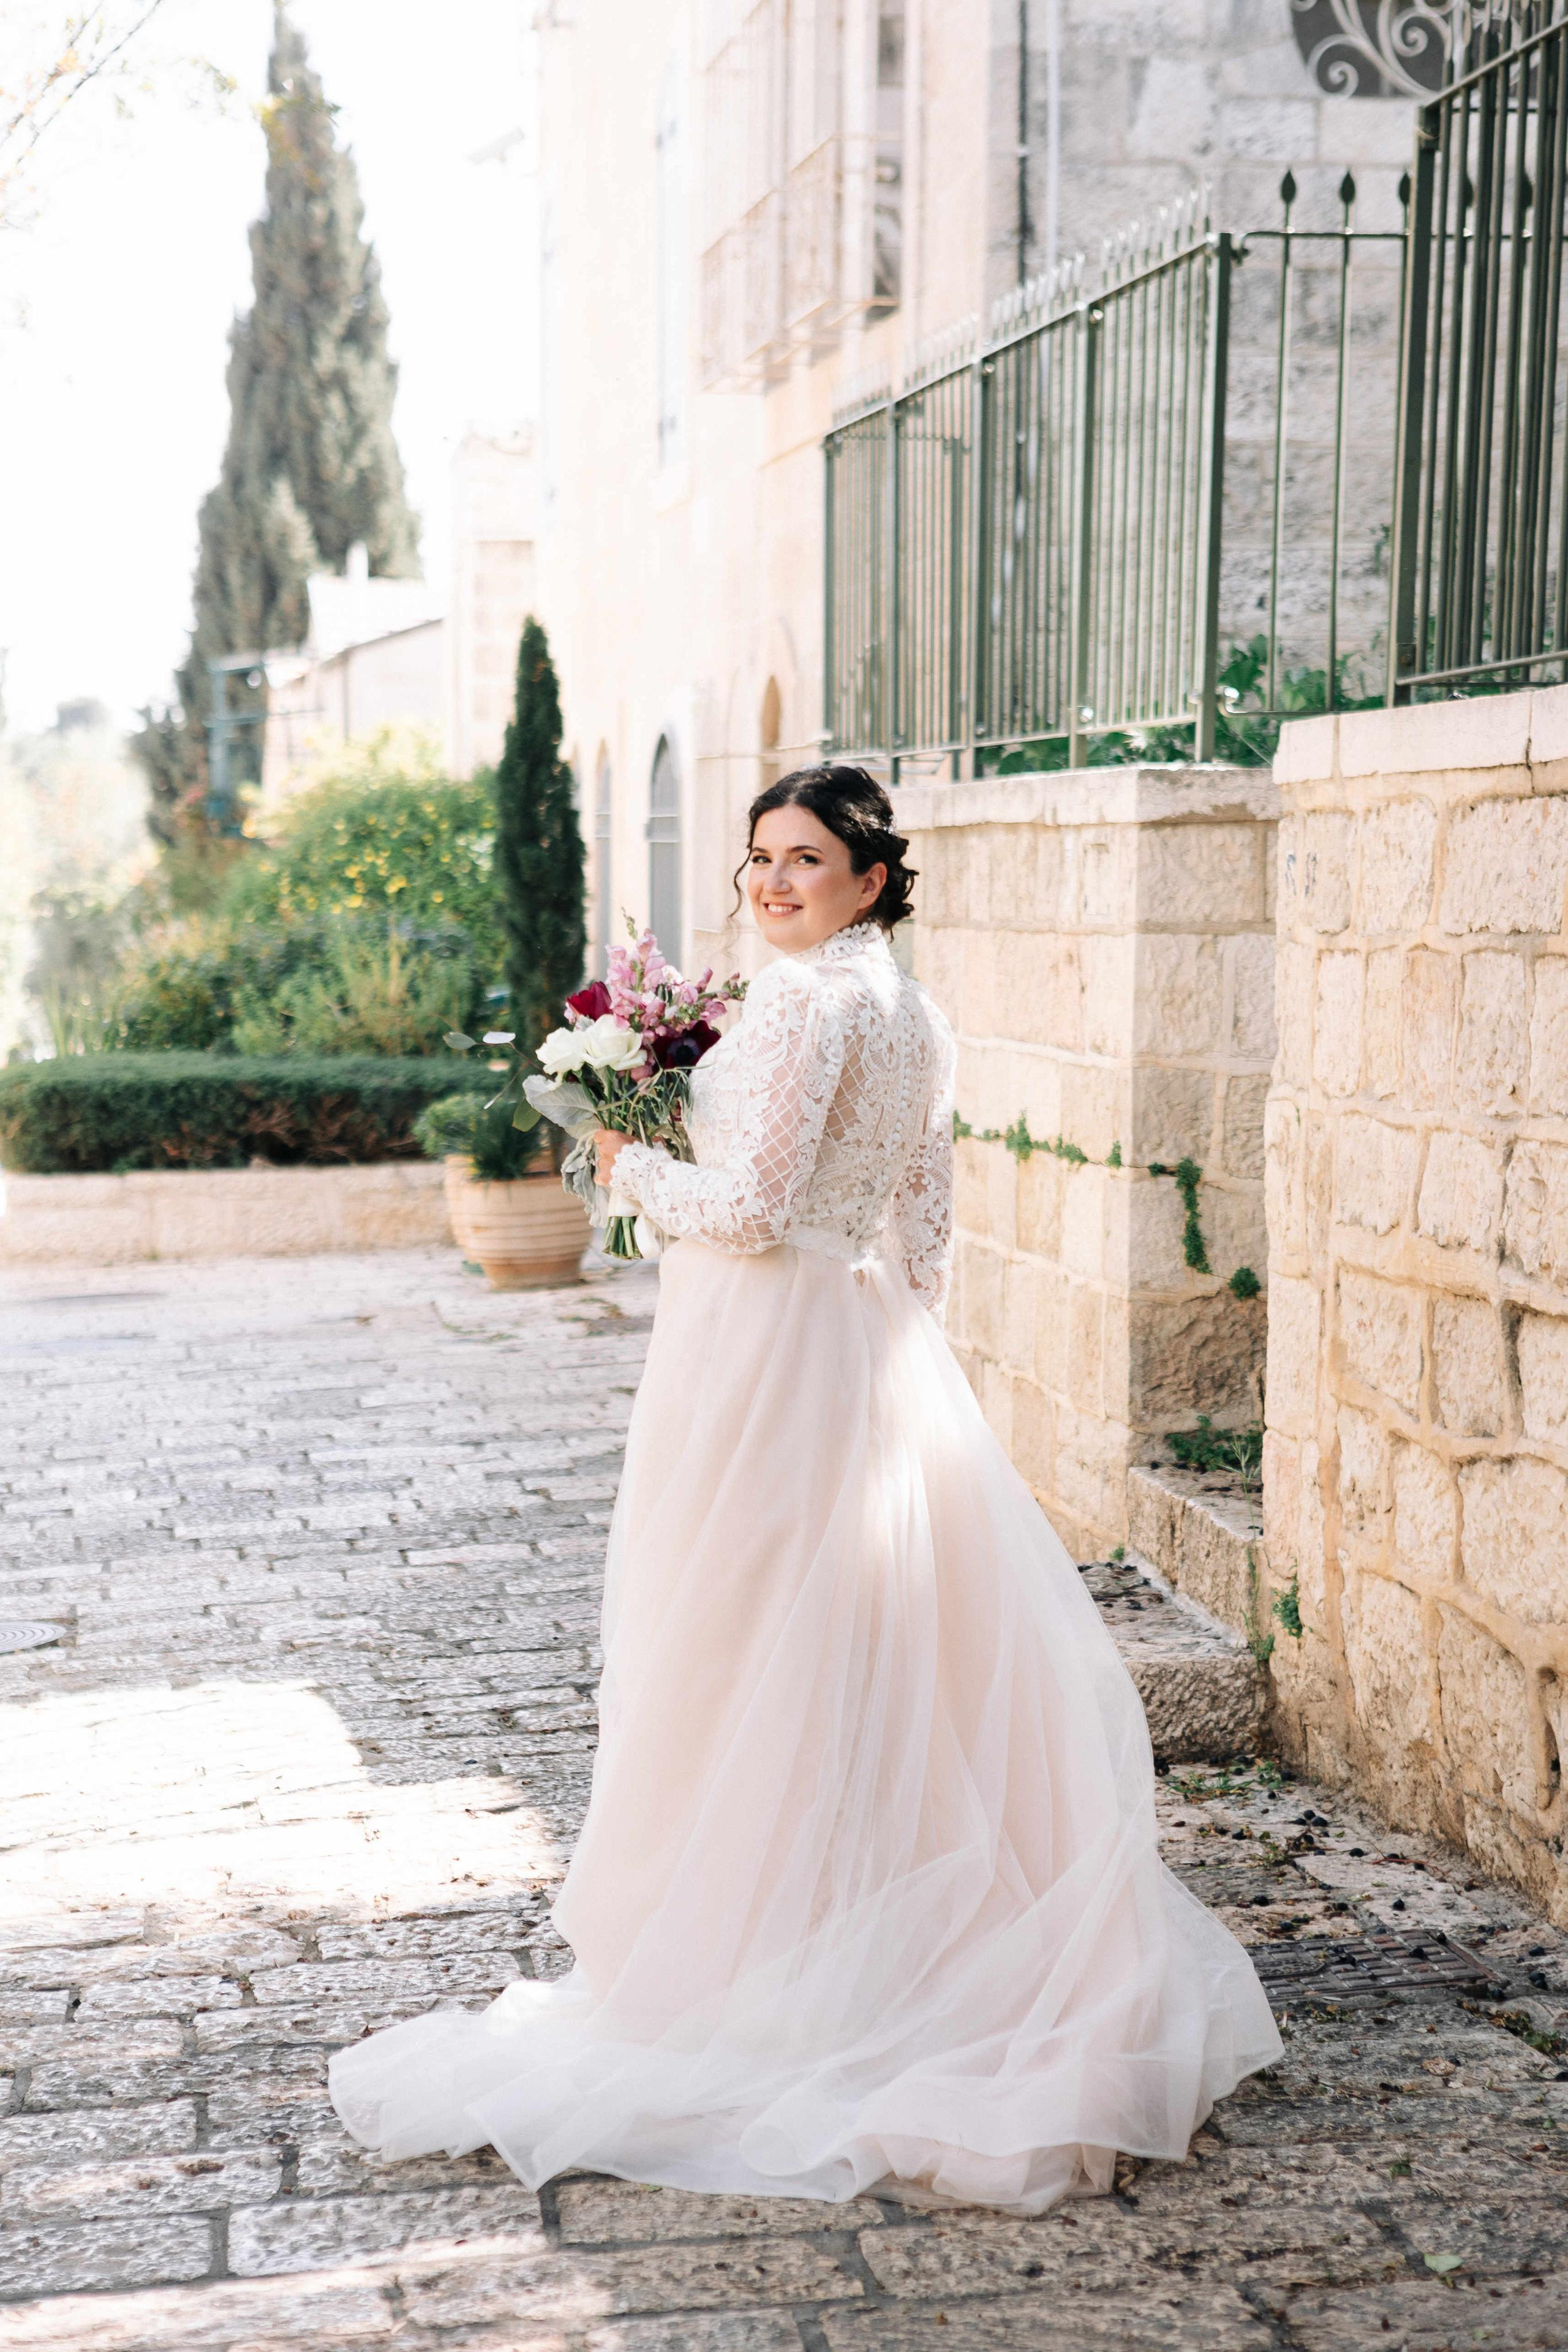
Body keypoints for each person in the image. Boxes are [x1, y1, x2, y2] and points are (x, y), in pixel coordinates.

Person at [329, 762, 1281, 2214]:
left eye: (805, 860)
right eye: (758, 859)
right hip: (866, 1346)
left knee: (737, 1642)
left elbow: (754, 1208)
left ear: (871, 877)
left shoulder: (804, 1004)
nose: (772, 883)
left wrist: (625, 1161)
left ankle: (770, 1971)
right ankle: (865, 1934)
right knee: (867, 1651)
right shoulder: (910, 1010)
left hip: (767, 1349)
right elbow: (929, 1218)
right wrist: (899, 1356)